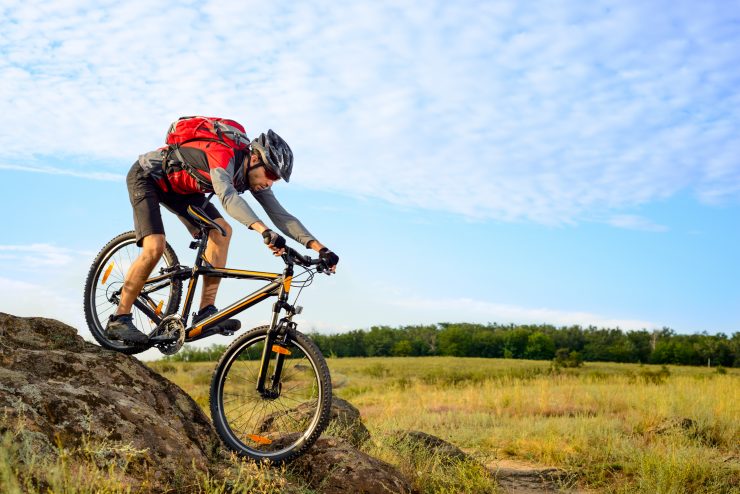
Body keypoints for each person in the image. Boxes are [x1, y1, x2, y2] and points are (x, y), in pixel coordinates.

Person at [106, 121, 339, 343]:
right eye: (270, 174)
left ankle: (206, 312)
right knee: (155, 245)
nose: (270, 183)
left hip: (183, 191)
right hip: (148, 178)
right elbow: (228, 198)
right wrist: (263, 231)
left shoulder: (254, 176)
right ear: (255, 158)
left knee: (222, 232)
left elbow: (280, 215)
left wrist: (321, 248)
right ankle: (119, 318)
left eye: (276, 179)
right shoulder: (223, 155)